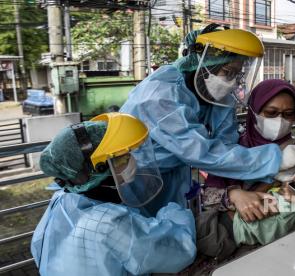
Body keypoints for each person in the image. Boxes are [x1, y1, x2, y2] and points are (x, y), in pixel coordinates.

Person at [120, 24, 295, 213]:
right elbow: (200, 152)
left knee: (173, 224)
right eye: (227, 72)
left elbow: (226, 146)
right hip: (135, 177)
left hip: (175, 178)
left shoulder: (219, 100)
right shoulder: (159, 95)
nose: (232, 83)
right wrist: (275, 159)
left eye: (237, 74)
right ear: (203, 65)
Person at [31, 113, 196, 275]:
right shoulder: (109, 223)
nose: (133, 161)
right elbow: (179, 252)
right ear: (99, 170)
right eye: (121, 158)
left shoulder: (62, 199)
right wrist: (172, 211)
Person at [195, 80, 295, 259]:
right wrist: (234, 195)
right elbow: (206, 196)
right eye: (270, 113)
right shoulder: (232, 151)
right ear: (253, 111)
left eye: (288, 114)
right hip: (235, 249)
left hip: (288, 247)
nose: (280, 120)